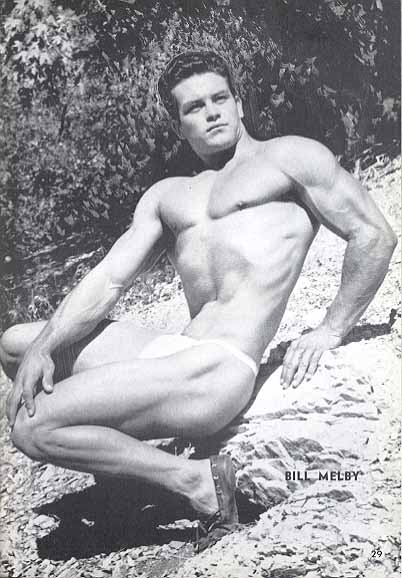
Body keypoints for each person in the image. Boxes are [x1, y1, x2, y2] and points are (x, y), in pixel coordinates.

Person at [0, 51, 396, 550]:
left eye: (219, 99)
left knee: (31, 428)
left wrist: (331, 329)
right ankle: (128, 467)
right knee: (17, 344)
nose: (211, 113)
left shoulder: (289, 158)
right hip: (176, 353)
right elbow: (109, 280)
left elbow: (373, 235)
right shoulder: (170, 194)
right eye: (194, 107)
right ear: (178, 125)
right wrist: (45, 347)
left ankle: (196, 482)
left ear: (239, 104)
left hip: (219, 368)